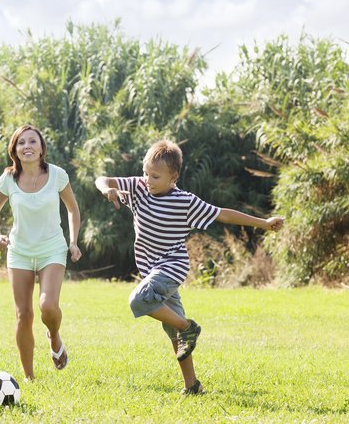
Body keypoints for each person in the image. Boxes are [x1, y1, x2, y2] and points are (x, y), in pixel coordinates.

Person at [95, 139, 284, 395]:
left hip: (172, 266)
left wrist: (263, 223)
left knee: (138, 301)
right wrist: (108, 190)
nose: (148, 180)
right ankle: (192, 385)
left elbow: (223, 214)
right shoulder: (139, 188)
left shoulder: (185, 202)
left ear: (173, 177)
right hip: (152, 270)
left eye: (155, 176)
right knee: (173, 332)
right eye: (145, 173)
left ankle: (189, 327)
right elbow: (102, 179)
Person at [0, 125, 82, 381]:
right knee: (23, 315)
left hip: (52, 248)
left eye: (32, 142)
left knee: (47, 306)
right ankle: (29, 377)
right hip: (19, 252)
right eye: (21, 143)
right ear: (14, 150)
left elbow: (72, 209)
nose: (26, 146)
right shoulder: (8, 179)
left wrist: (73, 241)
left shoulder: (57, 175)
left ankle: (54, 336)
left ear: (41, 149)